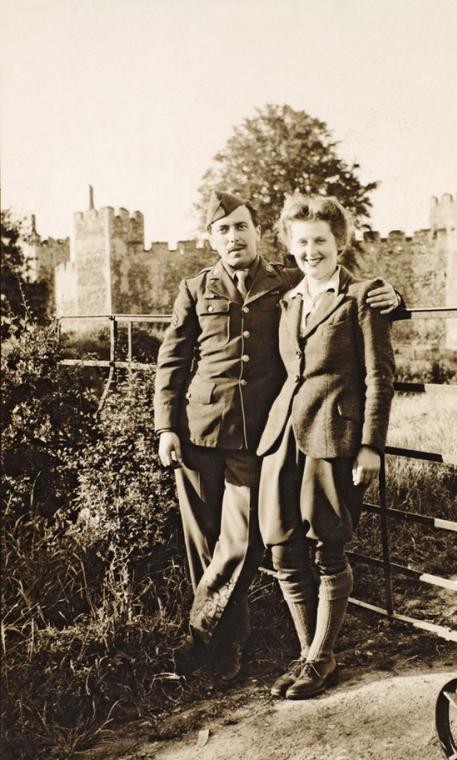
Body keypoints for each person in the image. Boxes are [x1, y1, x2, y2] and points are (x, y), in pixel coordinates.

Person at [154, 190, 399, 682]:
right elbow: (172, 361)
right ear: (211, 239)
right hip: (200, 433)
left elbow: (352, 294)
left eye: (241, 226)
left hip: (260, 436)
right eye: (222, 230)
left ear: (259, 232)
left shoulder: (288, 280)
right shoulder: (196, 287)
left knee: (242, 546)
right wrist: (165, 426)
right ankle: (225, 657)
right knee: (205, 546)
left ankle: (198, 645)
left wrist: (393, 297)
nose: (233, 237)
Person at [257, 194, 395, 700]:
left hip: (333, 437)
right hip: (282, 438)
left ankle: (321, 656)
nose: (310, 251)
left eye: (320, 240)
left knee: (328, 544)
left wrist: (370, 447)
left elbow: (380, 378)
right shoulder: (288, 300)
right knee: (282, 547)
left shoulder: (361, 298)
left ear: (340, 242)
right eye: (301, 242)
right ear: (289, 246)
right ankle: (306, 652)